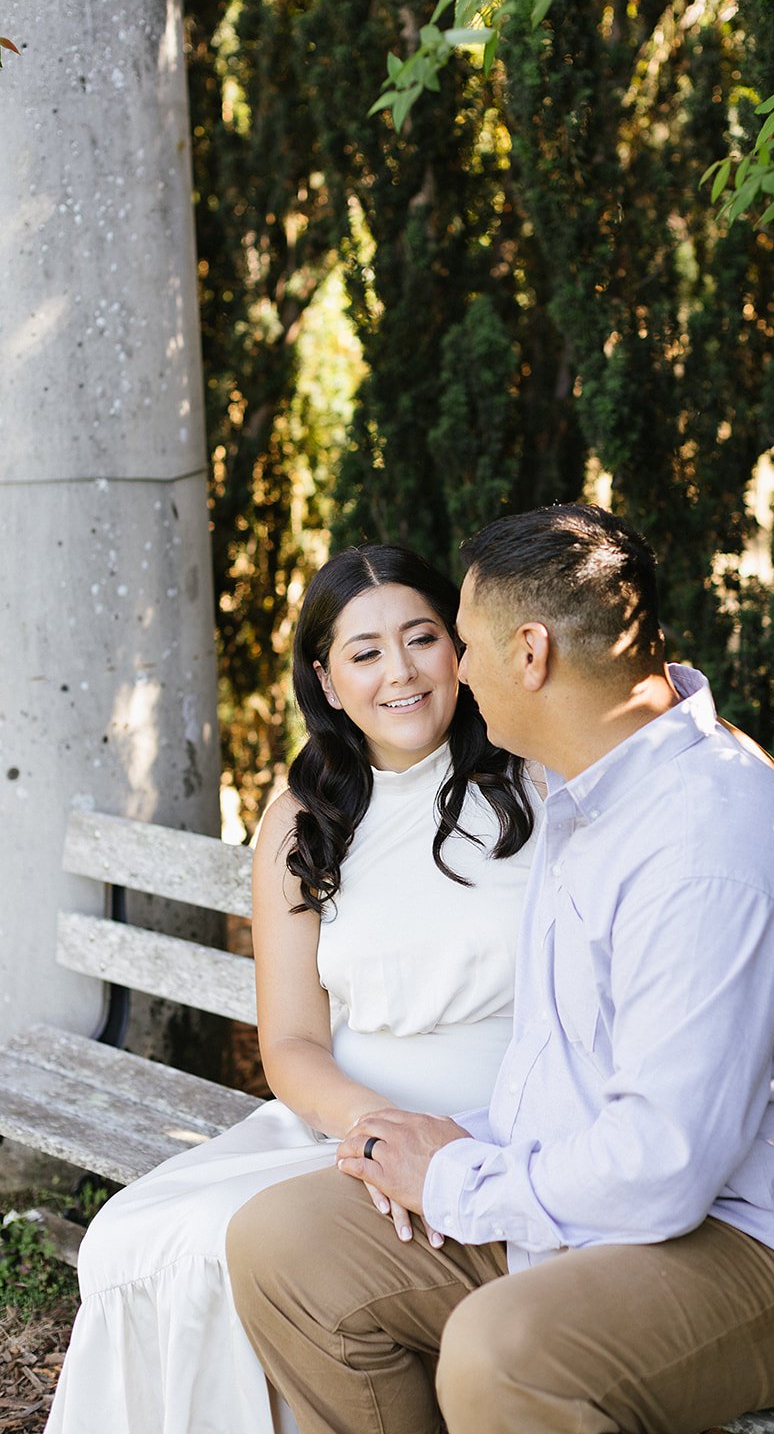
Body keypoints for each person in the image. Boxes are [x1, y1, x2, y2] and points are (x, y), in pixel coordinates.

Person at [226, 502, 774, 1434]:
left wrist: (455, 1178)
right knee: (284, 1243)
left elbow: (665, 1170)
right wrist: (431, 1144)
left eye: (457, 642)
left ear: (529, 654)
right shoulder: (580, 797)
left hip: (755, 1246)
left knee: (505, 1354)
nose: (447, 671)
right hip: (573, 1189)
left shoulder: (704, 845)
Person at [44, 544, 539, 1434]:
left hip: (493, 1129)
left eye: (422, 638)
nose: (401, 672)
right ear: (326, 677)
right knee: (134, 1241)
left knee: (234, 1251)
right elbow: (292, 1045)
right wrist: (375, 1129)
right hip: (343, 1123)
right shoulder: (304, 818)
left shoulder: (532, 782)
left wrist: (430, 1149)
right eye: (364, 652)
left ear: (460, 648)